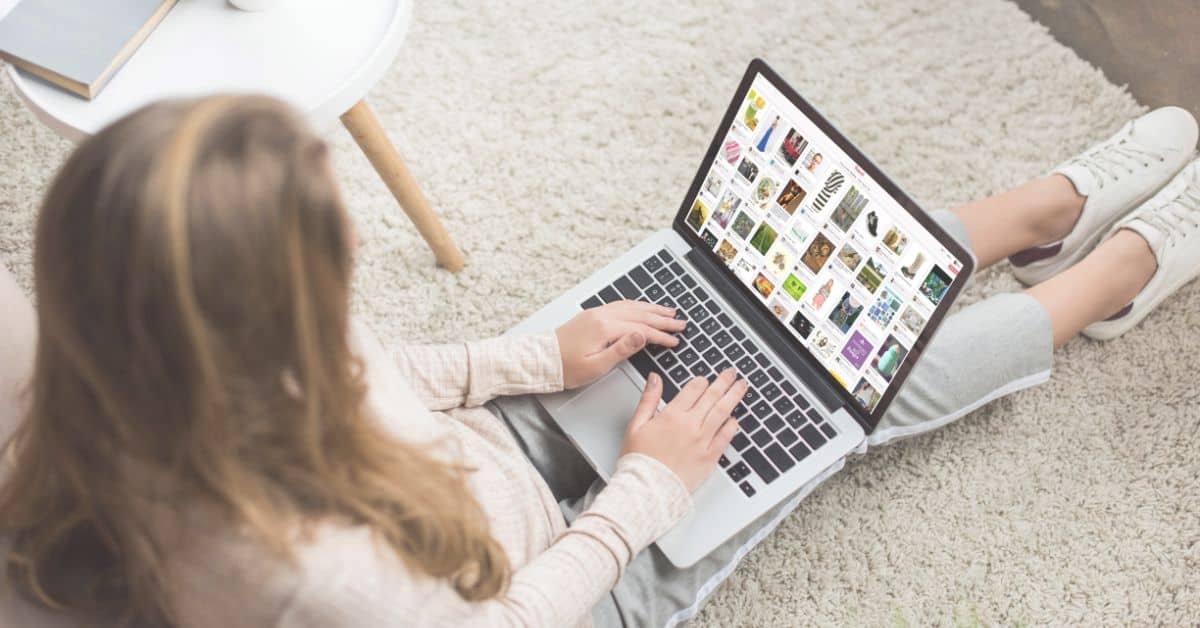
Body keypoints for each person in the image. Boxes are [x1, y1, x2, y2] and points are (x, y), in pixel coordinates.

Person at [0, 97, 1198, 628]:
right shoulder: (322, 586)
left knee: (753, 298)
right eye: (332, 232)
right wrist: (646, 493)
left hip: (480, 473)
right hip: (571, 583)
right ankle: (1111, 280)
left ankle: (1022, 216)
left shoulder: (161, 353)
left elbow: (385, 374)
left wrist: (537, 354)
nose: (361, 233)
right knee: (828, 401)